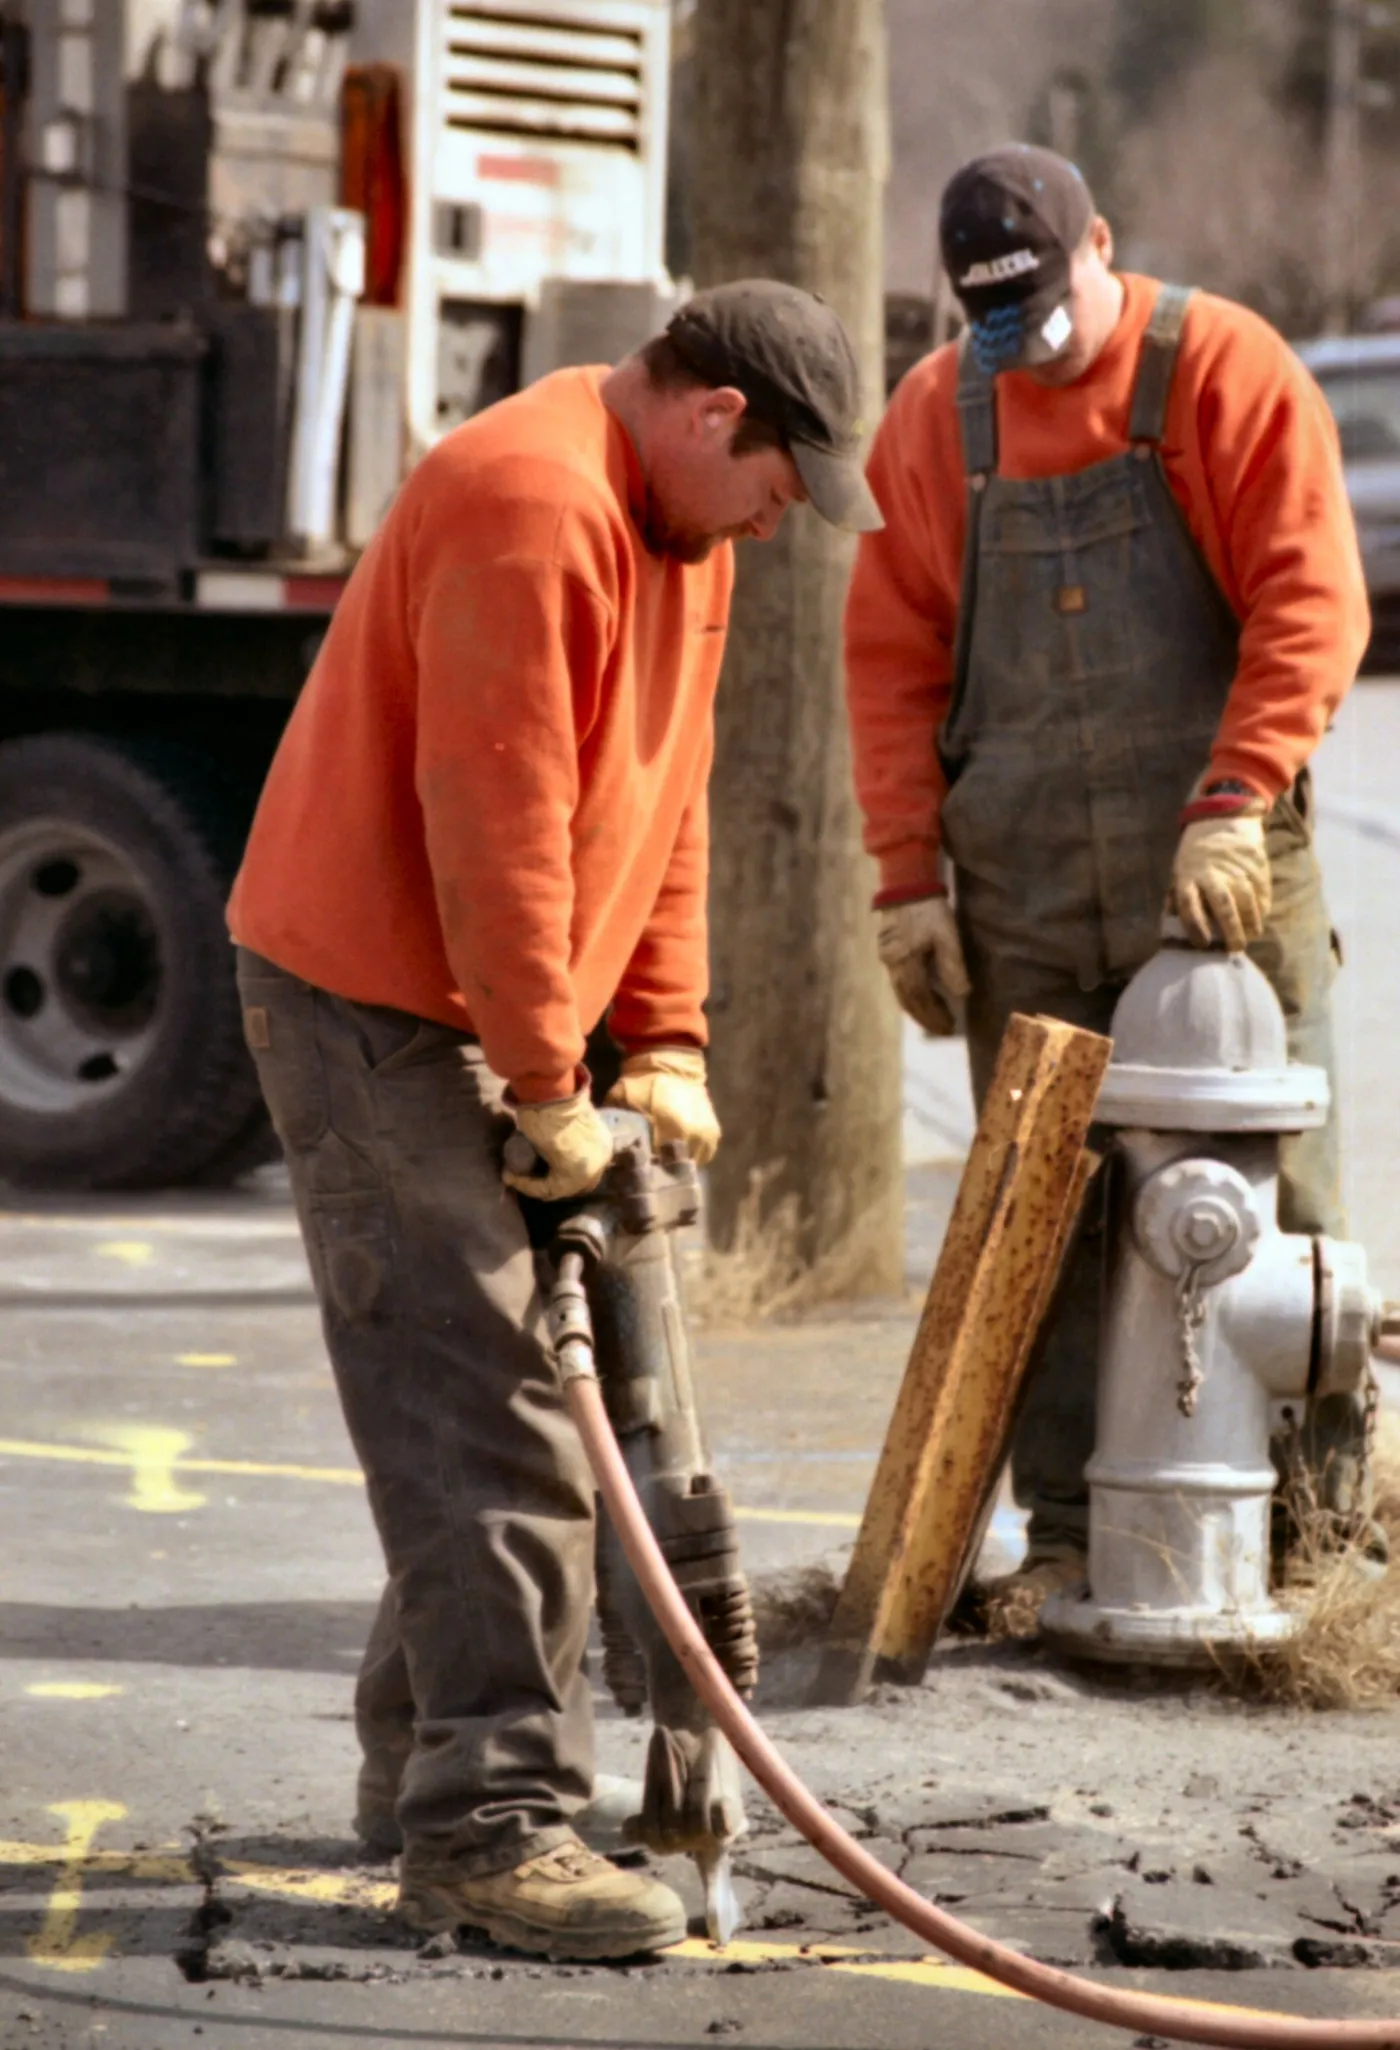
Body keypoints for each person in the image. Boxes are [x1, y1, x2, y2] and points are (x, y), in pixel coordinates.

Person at [227, 280, 881, 1961]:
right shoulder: (533, 500)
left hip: (491, 1009)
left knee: (485, 1389)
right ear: (715, 416)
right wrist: (540, 1081)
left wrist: (662, 1035)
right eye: (781, 484)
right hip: (376, 1000)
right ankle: (488, 1827)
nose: (783, 523)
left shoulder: (686, 540)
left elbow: (664, 801)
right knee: (498, 1414)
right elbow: (496, 821)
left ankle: (420, 1763)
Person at [844, 144, 1380, 1617]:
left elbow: (1309, 597)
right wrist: (906, 879)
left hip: (1219, 851)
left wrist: (1235, 794)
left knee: (1278, 1193)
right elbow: (889, 666)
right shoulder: (934, 422)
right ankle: (1073, 1531)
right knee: (1048, 1221)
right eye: (994, 321)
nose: (1032, 346)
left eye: (1050, 305)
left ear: (1104, 245)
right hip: (1017, 872)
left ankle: (1325, 1534)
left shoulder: (1222, 370)